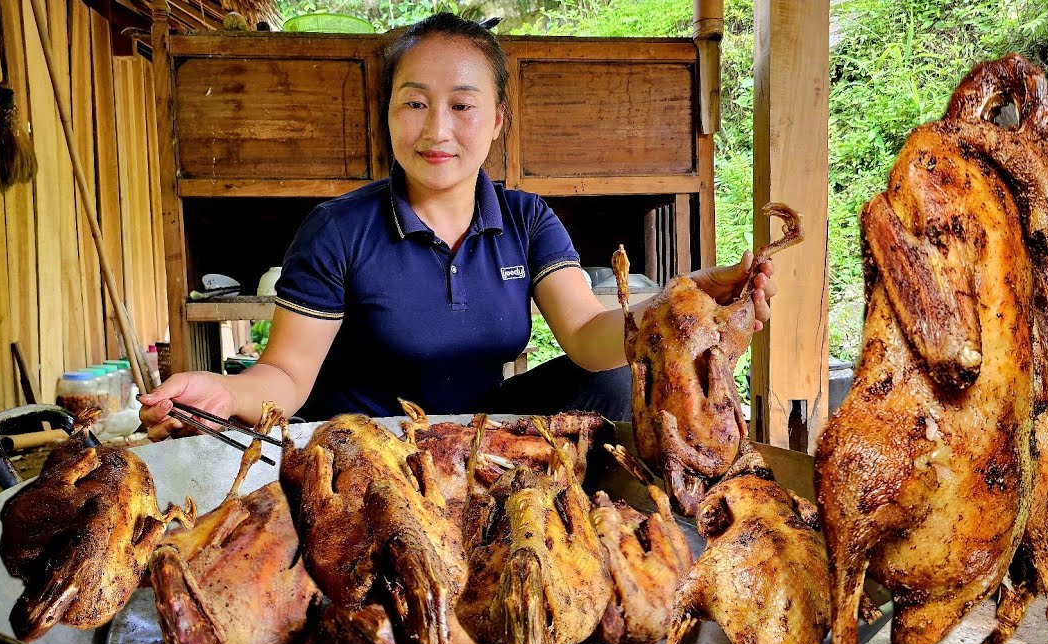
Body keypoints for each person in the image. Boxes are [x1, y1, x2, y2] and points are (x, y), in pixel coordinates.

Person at [140, 12, 776, 439]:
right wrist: (223, 394)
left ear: (497, 119)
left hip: (480, 434)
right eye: (414, 103)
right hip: (367, 447)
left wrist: (684, 299)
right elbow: (282, 377)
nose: (437, 130)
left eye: (462, 106)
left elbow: (587, 334)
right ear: (388, 116)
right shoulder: (338, 229)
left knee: (611, 382)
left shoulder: (526, 219)